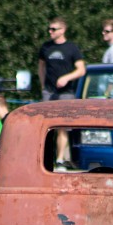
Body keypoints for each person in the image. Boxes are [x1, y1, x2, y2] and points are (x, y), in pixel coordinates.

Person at [38, 17, 86, 168]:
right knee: (44, 126)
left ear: (63, 30)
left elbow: (81, 70)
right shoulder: (46, 47)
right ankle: (43, 159)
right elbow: (41, 67)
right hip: (49, 92)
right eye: (49, 29)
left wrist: (66, 78)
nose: (50, 32)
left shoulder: (72, 48)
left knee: (62, 127)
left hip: (66, 93)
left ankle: (59, 160)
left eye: (54, 29)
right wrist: (42, 85)